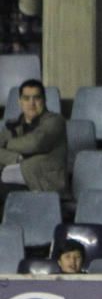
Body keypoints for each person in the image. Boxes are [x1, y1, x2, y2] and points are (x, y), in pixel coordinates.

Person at [0, 79, 67, 217]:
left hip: (44, 184)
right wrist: (17, 158)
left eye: (36, 98)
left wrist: (7, 144)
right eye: (26, 98)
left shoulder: (55, 121)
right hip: (16, 180)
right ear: (20, 102)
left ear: (44, 100)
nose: (31, 103)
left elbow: (36, 143)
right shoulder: (13, 125)